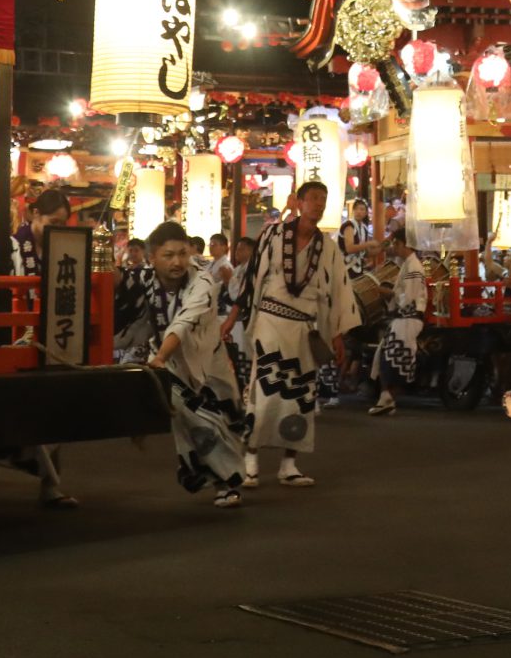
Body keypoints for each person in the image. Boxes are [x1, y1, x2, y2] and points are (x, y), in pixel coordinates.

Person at [243, 179, 360, 489]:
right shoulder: (273, 234)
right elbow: (253, 276)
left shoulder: (329, 248)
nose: (319, 205)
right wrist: (234, 318)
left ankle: (288, 464)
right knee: (265, 390)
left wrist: (336, 334)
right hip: (270, 320)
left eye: (324, 199)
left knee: (301, 395)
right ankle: (250, 459)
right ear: (298, 201)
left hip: (305, 327)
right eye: (313, 198)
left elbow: (337, 293)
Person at [139, 221, 249, 507]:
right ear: (152, 257)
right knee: (195, 423)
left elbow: (184, 321)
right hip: (172, 365)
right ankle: (222, 482)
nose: (177, 262)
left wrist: (160, 357)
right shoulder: (144, 279)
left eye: (182, 254)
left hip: (208, 362)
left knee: (225, 422)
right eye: (168, 255)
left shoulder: (202, 281)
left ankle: (226, 479)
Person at [368, 229, 426, 416]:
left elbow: (408, 297)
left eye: (396, 244)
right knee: (388, 357)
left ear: (404, 244)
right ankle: (387, 397)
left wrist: (388, 293)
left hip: (408, 319)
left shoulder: (414, 267)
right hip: (403, 319)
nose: (394, 247)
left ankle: (387, 397)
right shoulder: (409, 264)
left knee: (391, 358)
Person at [11, 187, 69, 277]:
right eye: (53, 222)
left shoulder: (63, 247)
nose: (58, 228)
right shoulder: (14, 244)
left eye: (62, 224)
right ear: (36, 213)